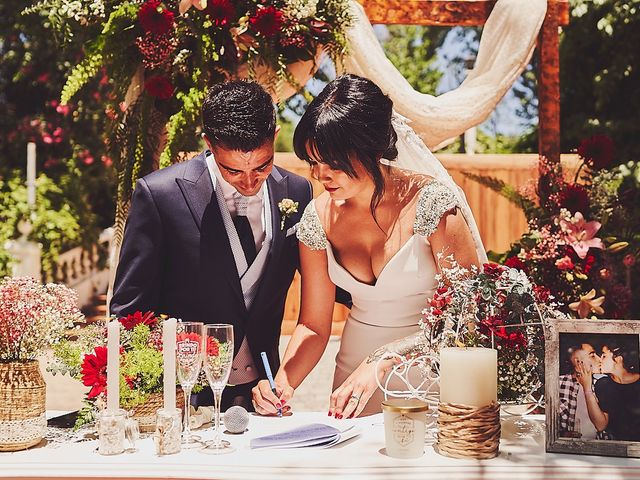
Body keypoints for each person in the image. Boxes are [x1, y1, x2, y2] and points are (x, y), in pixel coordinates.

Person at [252, 74, 484, 418]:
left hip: (433, 375)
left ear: (373, 149)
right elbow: (314, 326)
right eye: (313, 163)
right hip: (353, 381)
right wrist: (283, 382)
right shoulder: (318, 218)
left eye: (334, 164)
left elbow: (466, 316)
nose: (321, 175)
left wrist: (383, 360)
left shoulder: (433, 205)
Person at [110, 80, 313, 411]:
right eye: (232, 170)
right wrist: (147, 393)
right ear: (208, 144)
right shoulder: (159, 195)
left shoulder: (298, 192)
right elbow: (130, 311)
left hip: (264, 394)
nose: (249, 181)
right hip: (183, 395)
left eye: (262, 166)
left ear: (274, 137)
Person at [577, 340, 640, 441]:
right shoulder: (603, 385)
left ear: (618, 359)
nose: (600, 359)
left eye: (604, 356)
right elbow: (600, 425)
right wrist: (587, 387)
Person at [558, 341, 601, 439]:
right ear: (578, 362)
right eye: (592, 356)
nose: (599, 359)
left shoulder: (602, 384)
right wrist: (560, 434)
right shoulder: (559, 383)